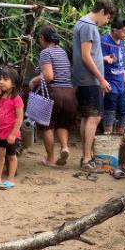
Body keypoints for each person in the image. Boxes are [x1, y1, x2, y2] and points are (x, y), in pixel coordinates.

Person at [72, 0, 116, 172]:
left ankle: (86, 156)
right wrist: (102, 79)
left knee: (87, 117)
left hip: (85, 79)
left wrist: (102, 59)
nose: (106, 22)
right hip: (90, 80)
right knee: (94, 118)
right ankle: (87, 159)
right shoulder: (89, 25)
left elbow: (89, 55)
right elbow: (86, 56)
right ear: (103, 11)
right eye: (108, 18)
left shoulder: (82, 23)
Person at [31, 25, 77, 167]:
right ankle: (64, 147)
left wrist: (34, 80)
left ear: (44, 38)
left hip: (54, 93)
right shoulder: (62, 51)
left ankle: (50, 159)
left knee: (47, 126)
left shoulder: (46, 52)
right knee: (62, 123)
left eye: (40, 37)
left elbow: (49, 76)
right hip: (69, 94)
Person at [101, 19, 125, 135]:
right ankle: (108, 136)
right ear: (114, 30)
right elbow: (97, 60)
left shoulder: (122, 42)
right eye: (124, 31)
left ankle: (119, 137)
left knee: (123, 111)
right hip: (109, 82)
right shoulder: (105, 41)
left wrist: (124, 76)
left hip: (120, 82)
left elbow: (121, 62)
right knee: (110, 111)